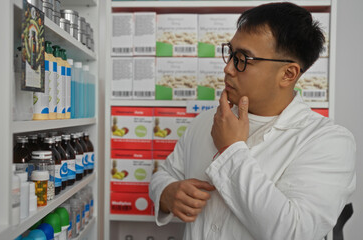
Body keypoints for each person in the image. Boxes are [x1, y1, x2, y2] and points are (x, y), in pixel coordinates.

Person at [149, 2, 356, 240]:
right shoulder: (206, 120)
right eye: (230, 52)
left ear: (288, 74)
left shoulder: (328, 142)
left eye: (243, 58)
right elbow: (164, 173)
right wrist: (166, 193)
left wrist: (230, 150)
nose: (227, 68)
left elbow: (295, 232)